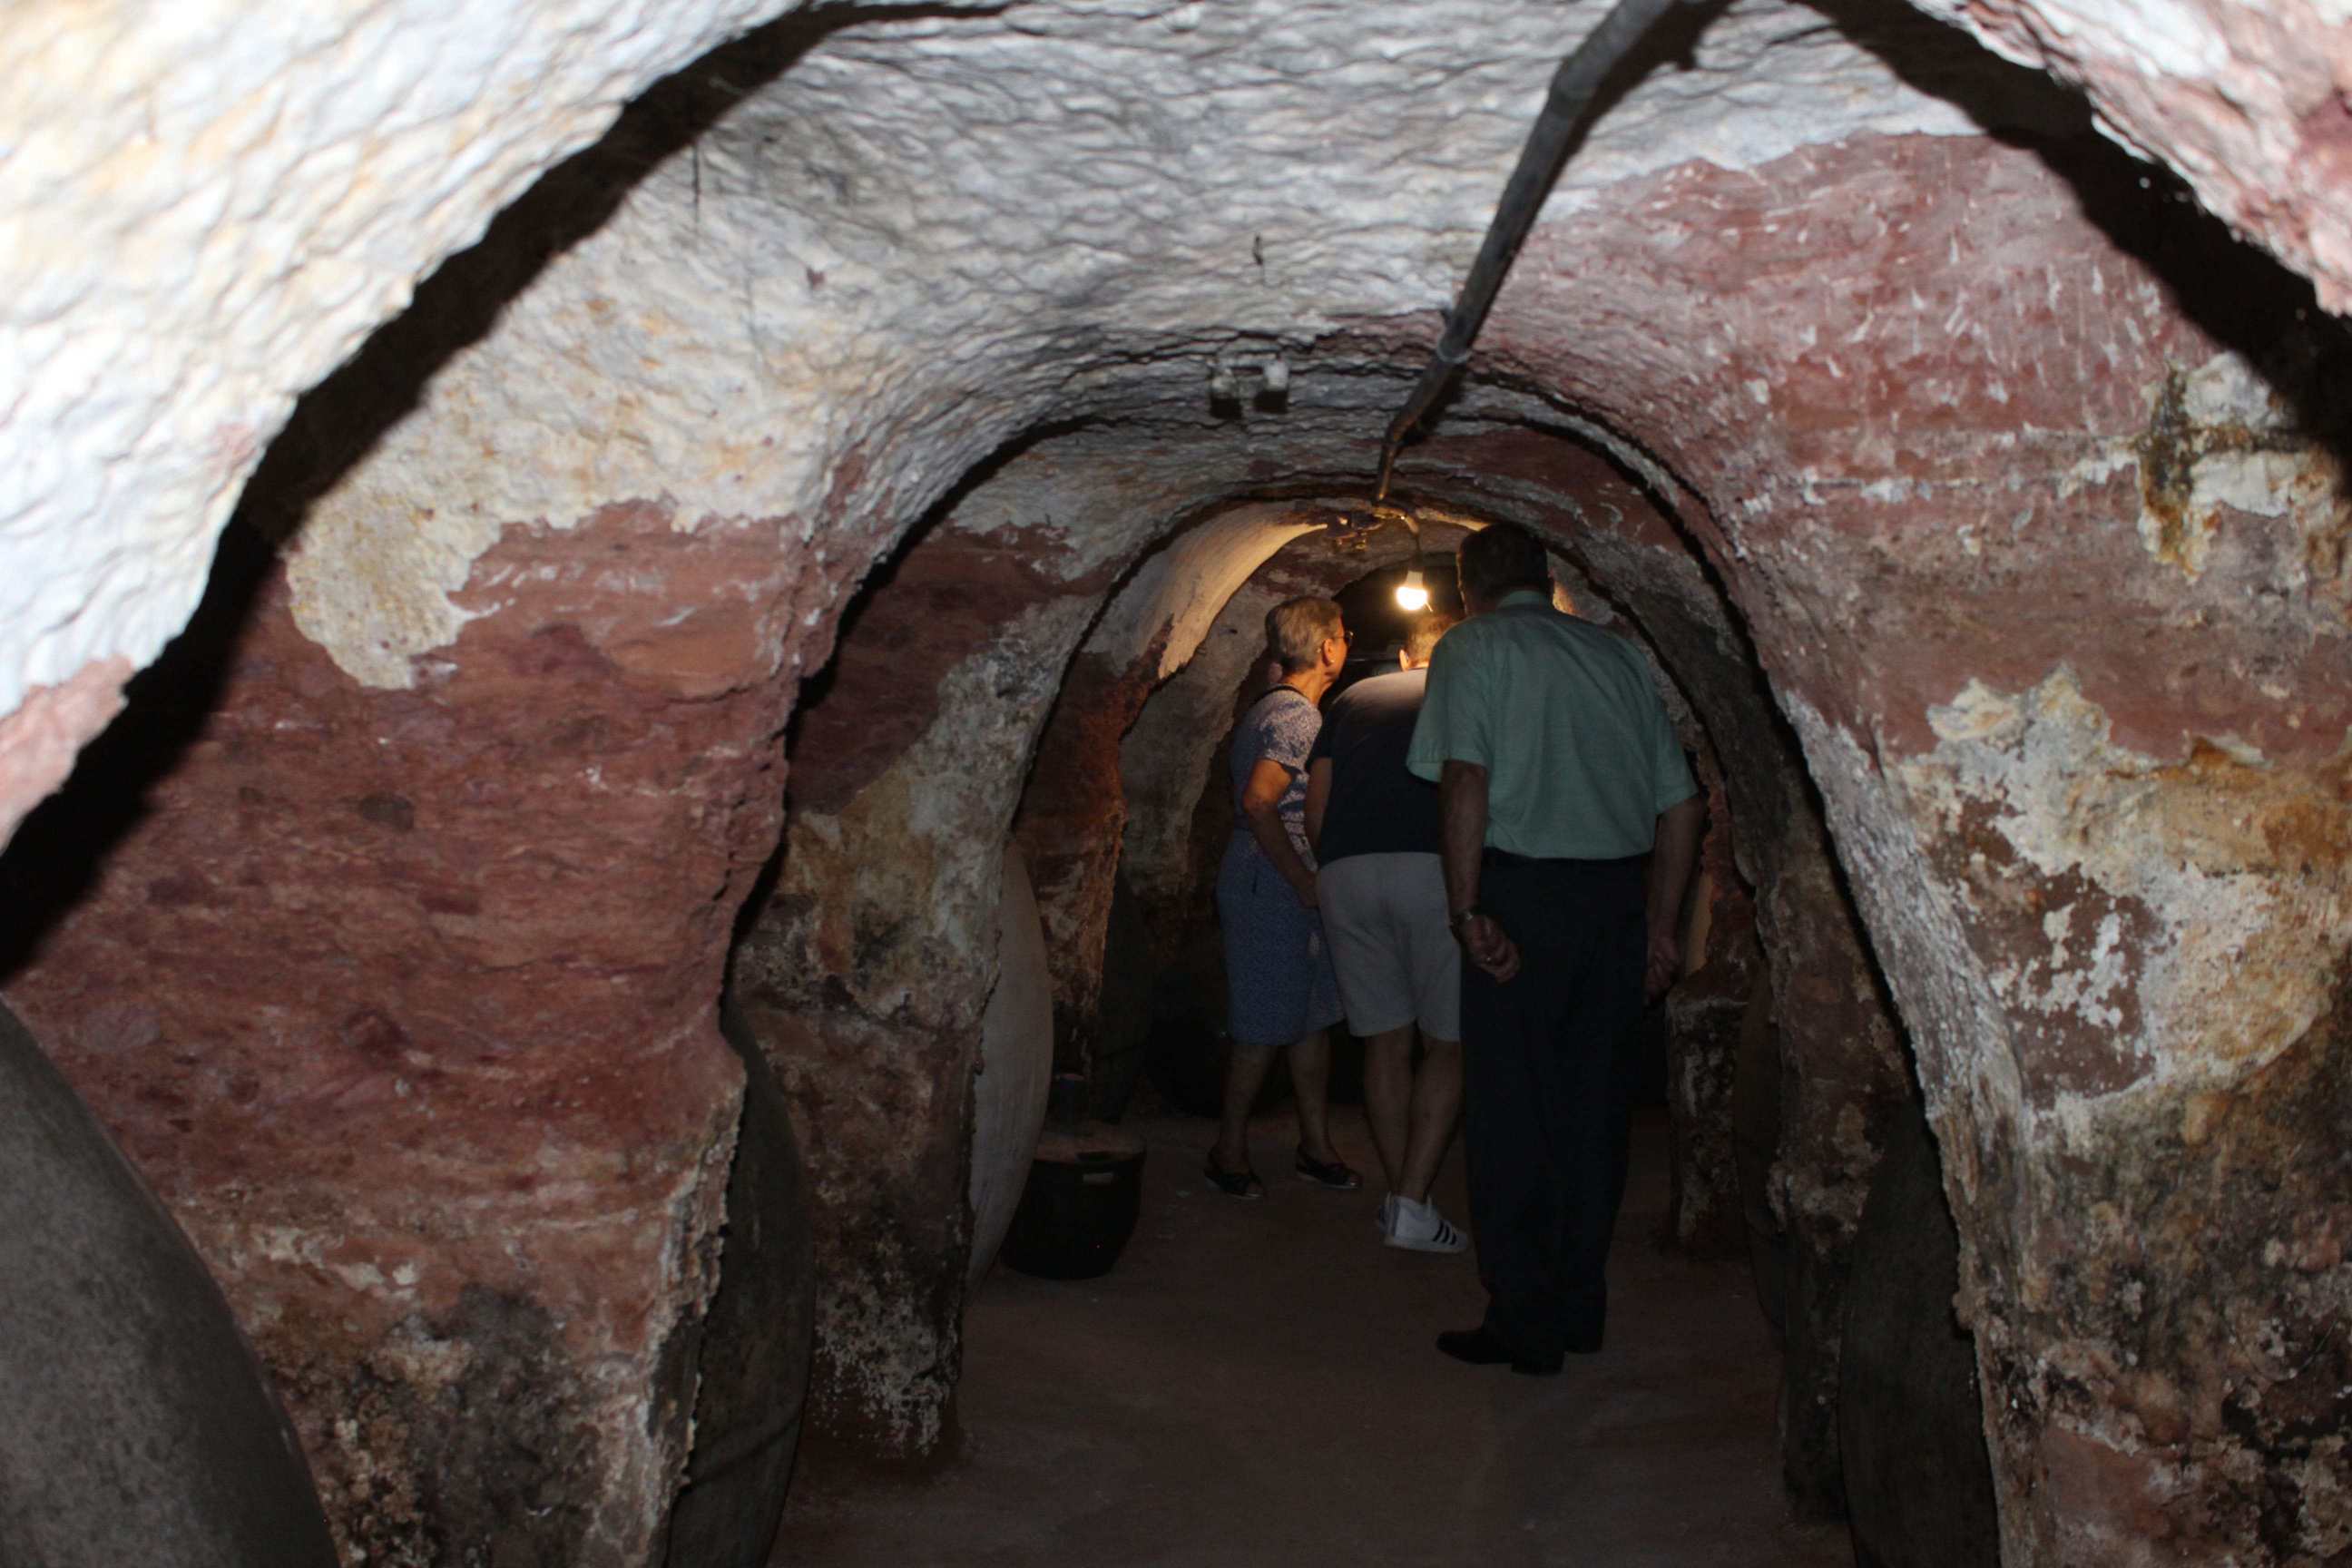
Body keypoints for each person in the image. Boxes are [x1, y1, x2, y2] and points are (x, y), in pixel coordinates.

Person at [1406, 524, 1701, 1374]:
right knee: (1594, 1112)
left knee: (1511, 1113)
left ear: (1471, 589)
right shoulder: (1617, 659)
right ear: (1546, 578)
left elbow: (1466, 778)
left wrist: (1468, 909)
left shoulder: (1475, 646)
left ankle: (1524, 1319)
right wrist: (1661, 926)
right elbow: (1679, 806)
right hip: (1611, 901)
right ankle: (1578, 1304)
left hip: (1522, 895)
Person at [1302, 610, 1467, 1253]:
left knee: (1383, 1042)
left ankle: (1405, 1196)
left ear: (1404, 657)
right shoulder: (1461, 695)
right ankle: (1411, 1203)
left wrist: (1336, 865)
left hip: (1346, 871)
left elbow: (1318, 807)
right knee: (1447, 1043)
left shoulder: (1350, 700)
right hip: (1431, 868)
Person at [1206, 595, 1362, 1200]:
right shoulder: (1297, 719)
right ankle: (1228, 1150)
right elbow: (1258, 801)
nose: (1346, 645)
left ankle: (1315, 1145)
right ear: (1327, 647)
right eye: (1345, 636)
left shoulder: (1274, 708)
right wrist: (1301, 878)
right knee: (1263, 1022)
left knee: (1308, 1019)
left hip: (1276, 877)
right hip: (1272, 881)